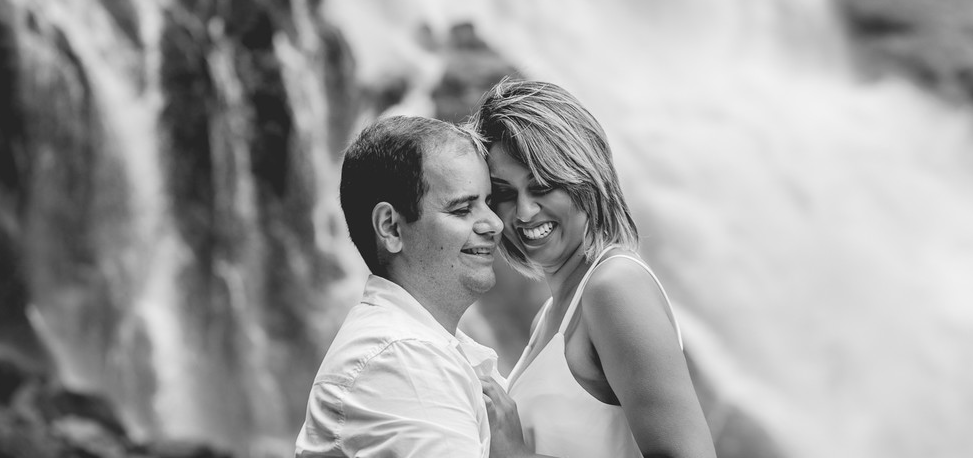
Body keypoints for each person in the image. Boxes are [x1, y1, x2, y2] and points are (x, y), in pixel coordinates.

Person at [469, 79, 717, 458]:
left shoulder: (614, 287)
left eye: (543, 185)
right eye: (504, 193)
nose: (523, 212)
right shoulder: (552, 315)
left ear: (585, 178)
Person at [295, 115, 505, 458]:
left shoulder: (420, 348)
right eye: (463, 208)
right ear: (391, 228)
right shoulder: (403, 361)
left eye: (489, 202)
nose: (495, 224)